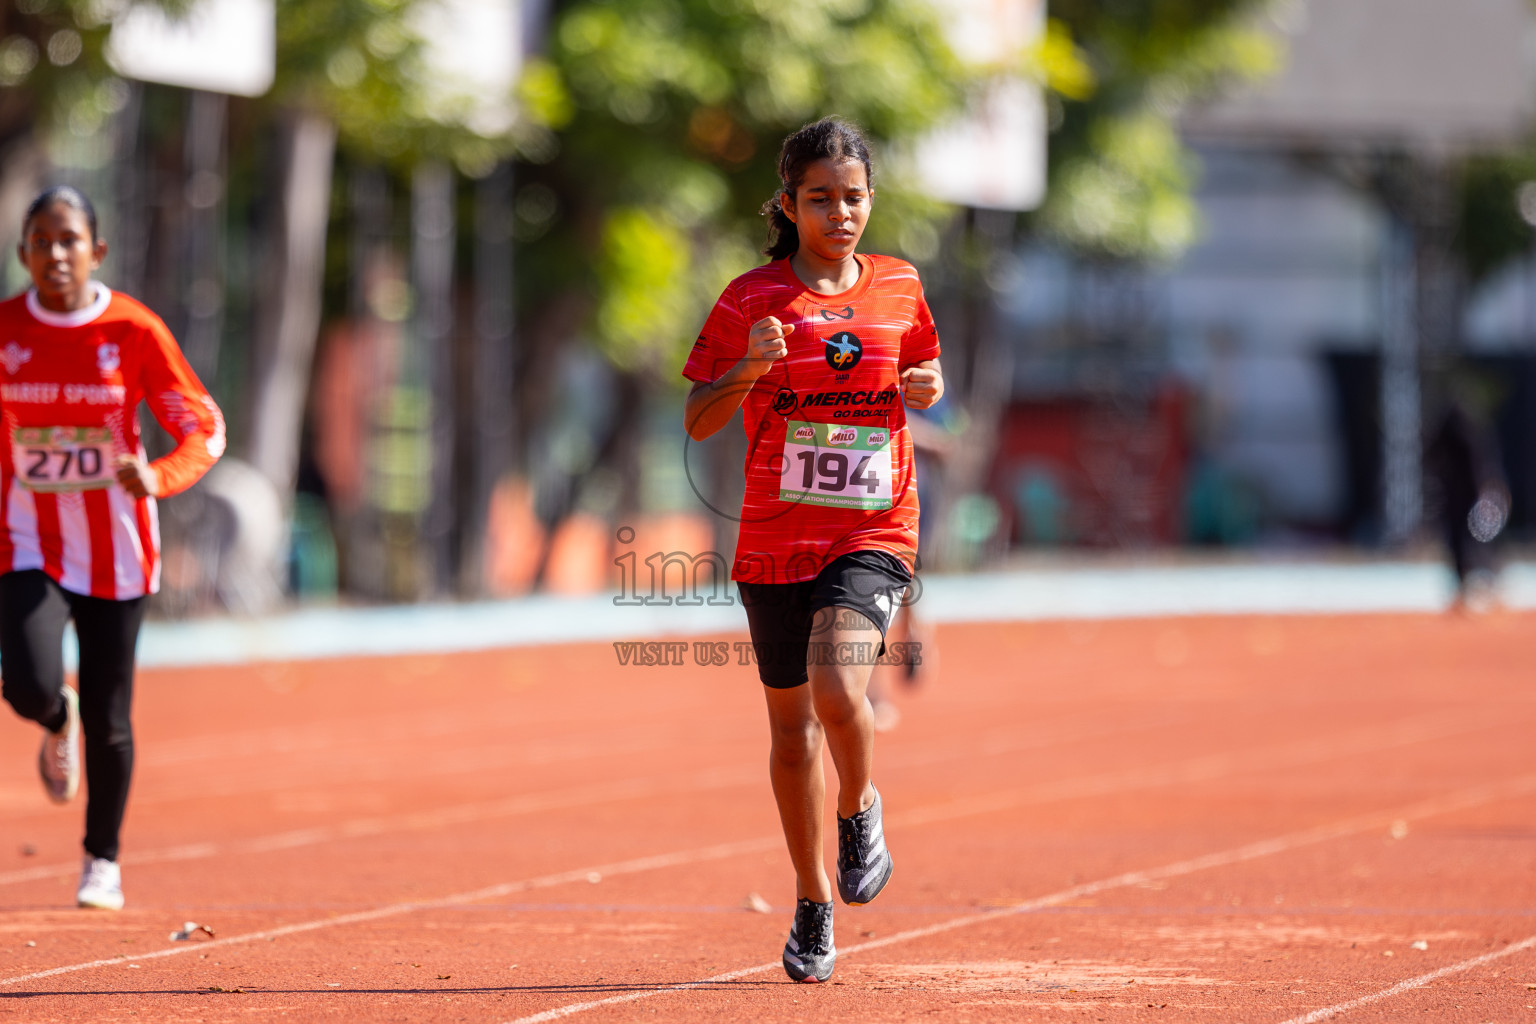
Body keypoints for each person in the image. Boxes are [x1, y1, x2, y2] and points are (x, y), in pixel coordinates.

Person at [682, 119, 943, 983]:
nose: (841, 213)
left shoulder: (901, 284)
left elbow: (925, 369)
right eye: (822, 198)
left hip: (873, 528)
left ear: (873, 201)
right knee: (791, 736)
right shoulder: (749, 299)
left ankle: (861, 806)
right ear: (789, 205)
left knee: (840, 686)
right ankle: (811, 899)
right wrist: (750, 369)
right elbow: (698, 419)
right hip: (773, 540)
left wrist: (926, 385)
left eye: (855, 197)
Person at [1, 186, 225, 909]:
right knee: (30, 683)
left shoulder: (132, 330)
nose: (55, 254)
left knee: (111, 711)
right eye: (41, 241)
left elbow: (203, 428)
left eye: (69, 240)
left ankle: (103, 859)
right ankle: (50, 715)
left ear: (97, 251)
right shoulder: (5, 330)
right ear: (22, 253)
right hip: (25, 535)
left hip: (117, 547)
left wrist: (155, 475)